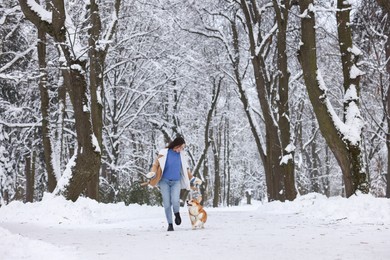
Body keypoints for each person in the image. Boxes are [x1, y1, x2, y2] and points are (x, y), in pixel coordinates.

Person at [146, 136, 202, 231]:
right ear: (176, 145)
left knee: (175, 200)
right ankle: (170, 224)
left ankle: (177, 213)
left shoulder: (182, 156)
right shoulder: (164, 153)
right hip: (164, 181)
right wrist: (153, 173)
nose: (181, 149)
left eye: (182, 148)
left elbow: (185, 170)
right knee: (167, 203)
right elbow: (156, 165)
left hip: (176, 181)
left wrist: (193, 179)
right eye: (180, 147)